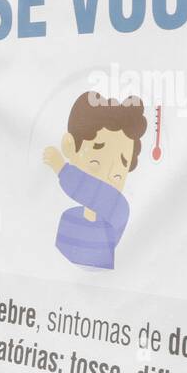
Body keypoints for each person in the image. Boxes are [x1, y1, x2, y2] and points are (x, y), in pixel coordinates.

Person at [44, 91, 148, 270]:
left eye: (122, 167)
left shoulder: (118, 209)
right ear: (70, 146)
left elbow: (100, 195)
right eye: (95, 163)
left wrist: (62, 169)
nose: (110, 175)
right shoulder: (69, 218)